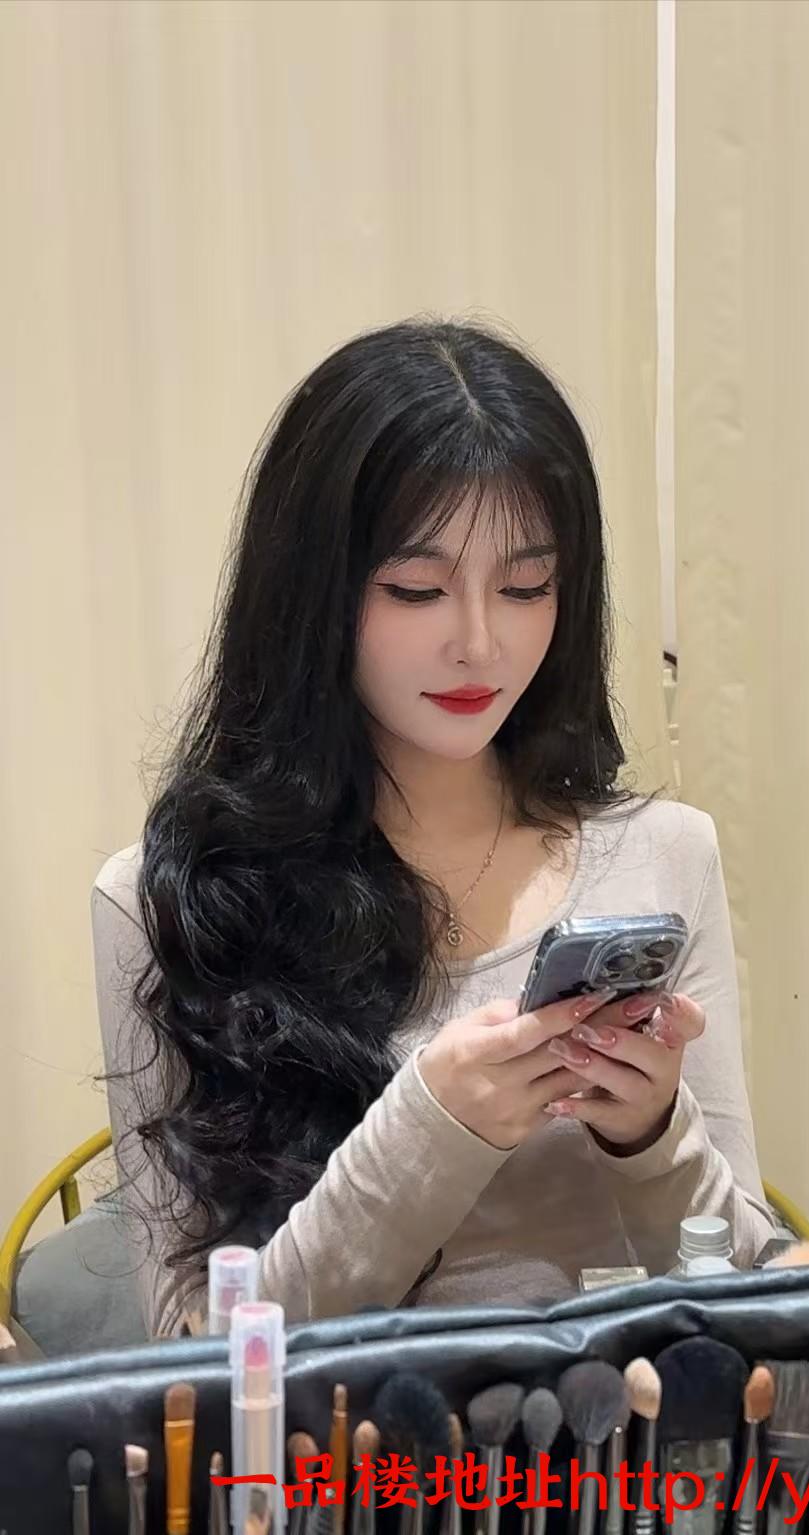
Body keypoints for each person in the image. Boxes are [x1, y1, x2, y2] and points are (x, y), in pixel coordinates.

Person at [92, 317, 774, 1341]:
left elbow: (754, 1288)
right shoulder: (169, 900)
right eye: (417, 588)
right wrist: (430, 1130)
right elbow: (193, 1354)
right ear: (312, 596)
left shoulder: (665, 854)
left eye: (526, 586)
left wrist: (651, 1138)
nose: (480, 642)